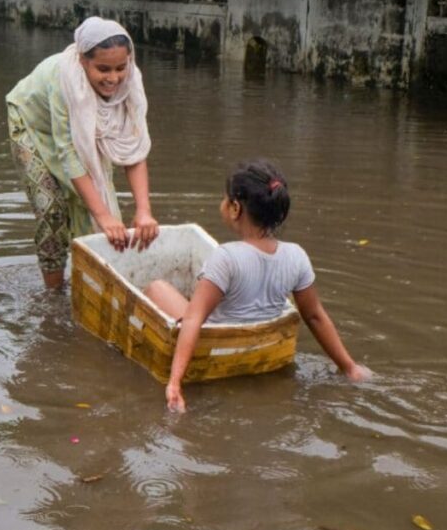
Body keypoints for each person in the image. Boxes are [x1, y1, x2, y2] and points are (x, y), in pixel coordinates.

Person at [144, 160, 371, 412]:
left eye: (225, 198)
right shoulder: (296, 256)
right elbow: (315, 316)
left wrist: (175, 382)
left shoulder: (226, 257)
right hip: (264, 353)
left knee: (156, 287)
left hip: (217, 348)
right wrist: (349, 367)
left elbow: (193, 319)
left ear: (235, 208)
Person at [7, 16, 159, 289]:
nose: (113, 78)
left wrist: (144, 211)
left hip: (85, 134)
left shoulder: (130, 85)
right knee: (52, 210)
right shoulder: (64, 82)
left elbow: (134, 148)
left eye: (120, 68)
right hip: (31, 124)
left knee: (103, 219)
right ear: (82, 60)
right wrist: (103, 216)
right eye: (103, 69)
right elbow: (68, 153)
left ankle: (92, 291)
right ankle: (53, 295)